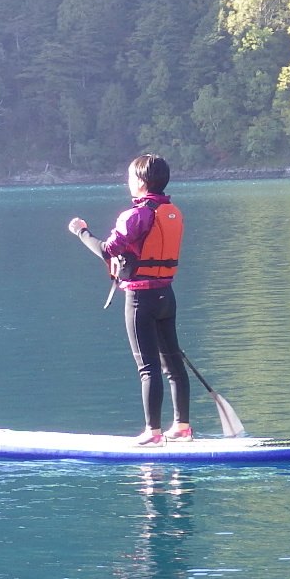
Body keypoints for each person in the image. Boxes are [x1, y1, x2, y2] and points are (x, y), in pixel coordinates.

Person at [68, 153, 193, 445]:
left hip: (140, 300)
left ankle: (153, 432)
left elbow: (107, 250)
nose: (127, 182)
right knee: (173, 364)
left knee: (148, 368)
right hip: (166, 296)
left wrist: (81, 231)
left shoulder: (136, 215)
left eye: (129, 177)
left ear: (141, 181)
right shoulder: (172, 212)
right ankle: (182, 427)